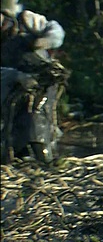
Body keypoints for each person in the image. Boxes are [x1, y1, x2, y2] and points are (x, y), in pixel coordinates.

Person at [1, 9, 67, 164]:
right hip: (10, 90)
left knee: (39, 122)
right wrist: (17, 76)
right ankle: (18, 156)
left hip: (43, 82)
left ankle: (46, 161)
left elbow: (57, 30)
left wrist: (45, 41)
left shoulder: (25, 20)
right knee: (14, 134)